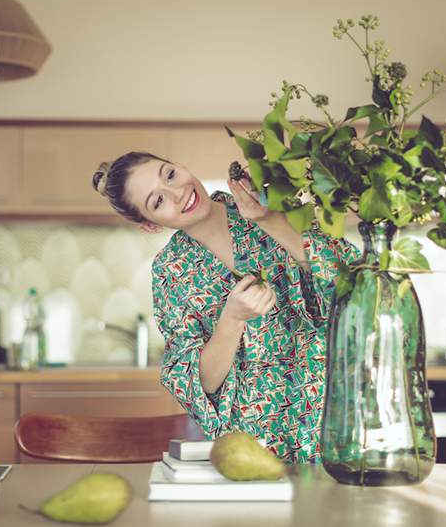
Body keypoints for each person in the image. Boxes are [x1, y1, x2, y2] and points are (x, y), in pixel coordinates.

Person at [92, 151, 359, 462]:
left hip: (332, 419)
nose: (178, 193)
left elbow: (351, 285)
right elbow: (198, 382)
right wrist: (232, 319)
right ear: (150, 225)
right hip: (252, 442)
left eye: (170, 175)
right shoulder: (171, 271)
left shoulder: (271, 203)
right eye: (157, 202)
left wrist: (267, 219)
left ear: (182, 164)